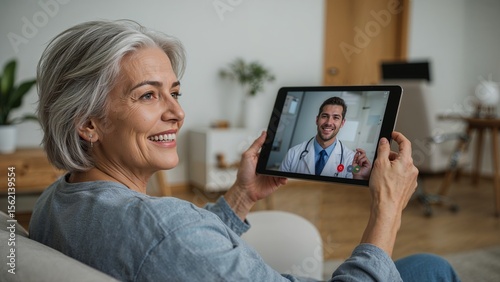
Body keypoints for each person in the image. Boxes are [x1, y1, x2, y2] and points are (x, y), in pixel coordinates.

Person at [29, 19, 460, 281]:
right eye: (148, 96)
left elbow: (181, 255)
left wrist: (242, 195)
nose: (178, 112)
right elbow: (173, 244)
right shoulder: (165, 228)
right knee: (432, 266)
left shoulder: (55, 201)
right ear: (87, 123)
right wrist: (387, 208)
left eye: (175, 92)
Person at [280, 97, 371, 179]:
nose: (328, 122)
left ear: (342, 123)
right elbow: (279, 188)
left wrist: (359, 178)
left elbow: (351, 195)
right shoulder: (293, 153)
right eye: (324, 116)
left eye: (336, 117)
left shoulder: (350, 160)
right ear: (317, 119)